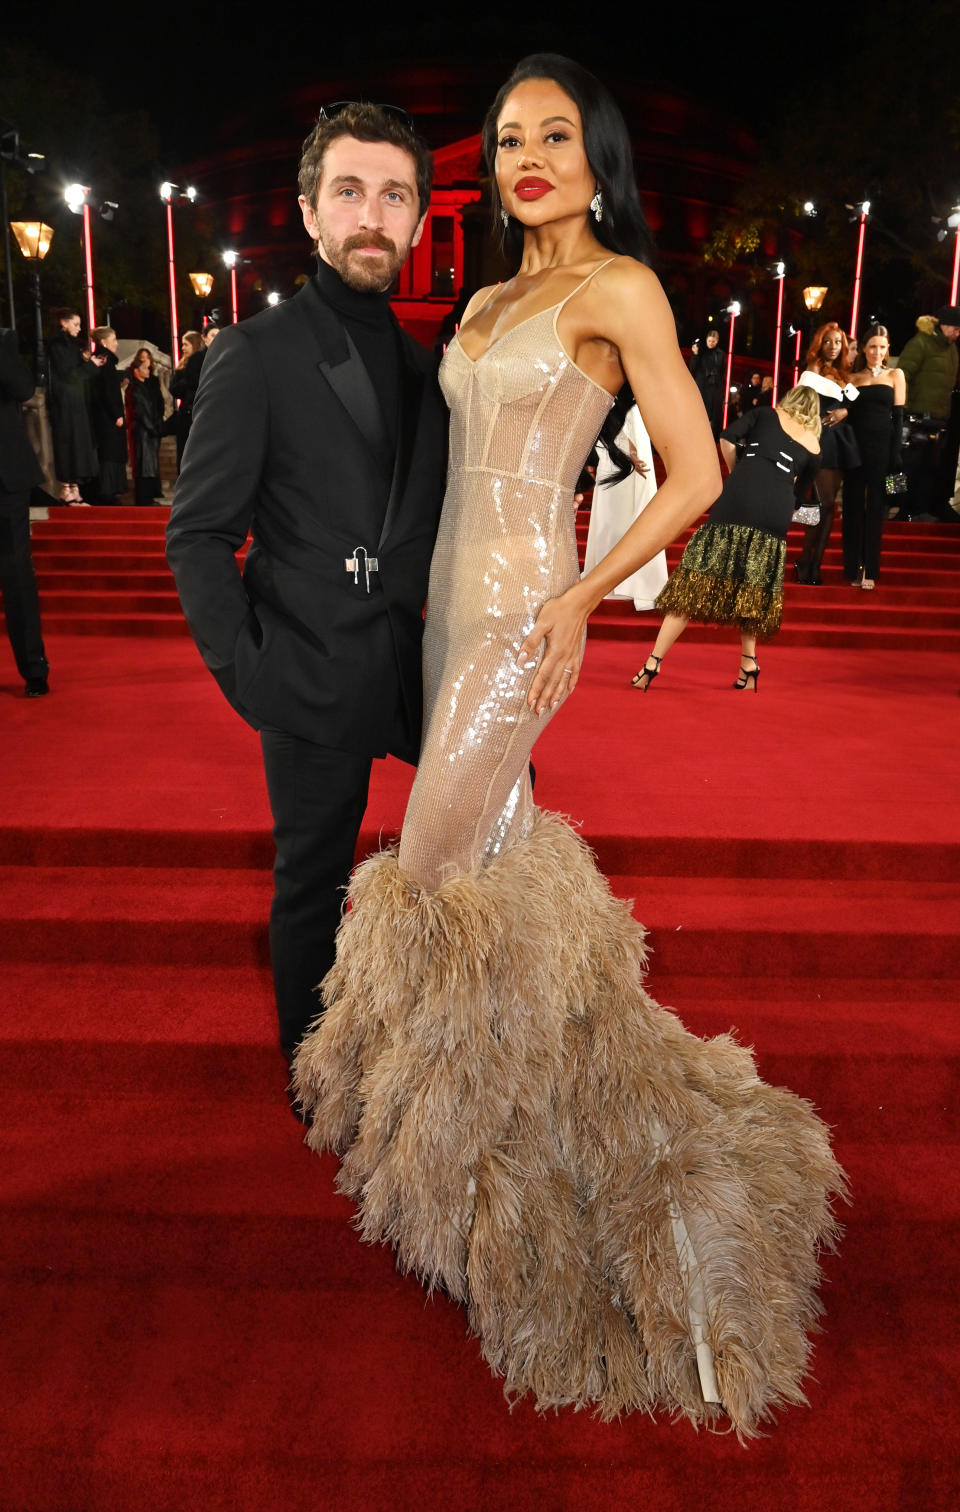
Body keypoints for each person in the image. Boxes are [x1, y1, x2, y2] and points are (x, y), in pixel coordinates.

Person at [293, 55, 844, 1439]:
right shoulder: (484, 299)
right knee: (479, 874)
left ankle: (498, 1174)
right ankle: (548, 1123)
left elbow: (703, 469)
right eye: (509, 138)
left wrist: (583, 601)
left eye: (556, 136)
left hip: (523, 629)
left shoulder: (621, 290)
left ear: (601, 158)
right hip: (439, 621)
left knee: (431, 880)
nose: (530, 156)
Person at [166, 102, 447, 1065]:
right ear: (311, 211)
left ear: (416, 217)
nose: (373, 215)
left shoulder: (432, 370)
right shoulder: (256, 354)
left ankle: (449, 1051)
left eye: (394, 194)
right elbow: (198, 532)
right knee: (313, 881)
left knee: (502, 832)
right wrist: (252, 672)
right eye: (350, 191)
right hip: (308, 664)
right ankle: (314, 1080)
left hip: (416, 666)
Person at [633, 385, 821, 691]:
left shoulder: (764, 414)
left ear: (790, 398)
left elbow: (726, 438)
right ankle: (749, 665)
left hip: (739, 499)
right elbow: (800, 498)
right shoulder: (814, 446)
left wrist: (737, 472)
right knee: (753, 590)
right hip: (775, 515)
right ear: (814, 412)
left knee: (692, 584)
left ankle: (652, 663)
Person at [0, 328, 49, 695]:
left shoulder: (3, 340)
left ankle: (34, 669)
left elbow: (23, 389)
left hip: (5, 476)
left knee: (16, 571)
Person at [582, 395, 667, 608]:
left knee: (620, 515)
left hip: (622, 449)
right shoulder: (615, 392)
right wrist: (629, 453)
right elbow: (613, 423)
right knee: (615, 516)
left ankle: (614, 577)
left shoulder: (630, 393)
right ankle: (613, 578)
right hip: (615, 454)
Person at [791, 322, 859, 584]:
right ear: (820, 344)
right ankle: (805, 559)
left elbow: (852, 404)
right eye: (828, 342)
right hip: (819, 440)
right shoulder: (813, 369)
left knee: (829, 508)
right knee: (822, 505)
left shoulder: (845, 373)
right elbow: (800, 406)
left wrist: (846, 411)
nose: (833, 347)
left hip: (839, 442)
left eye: (838, 342)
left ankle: (813, 564)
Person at [842, 324, 905, 589]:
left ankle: (871, 570)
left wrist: (896, 454)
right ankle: (853, 569)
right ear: (864, 349)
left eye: (882, 347)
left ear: (887, 349)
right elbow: (845, 415)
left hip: (883, 447)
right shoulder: (852, 378)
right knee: (853, 506)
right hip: (855, 447)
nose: (877, 352)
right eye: (872, 347)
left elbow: (899, 418)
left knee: (876, 507)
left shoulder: (895, 375)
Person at [897, 304, 960, 520]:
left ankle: (919, 510)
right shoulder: (920, 343)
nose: (958, 333)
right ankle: (893, 506)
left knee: (928, 469)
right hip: (913, 418)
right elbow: (902, 375)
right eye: (955, 328)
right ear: (943, 325)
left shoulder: (951, 349)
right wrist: (901, 410)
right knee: (901, 467)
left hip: (937, 420)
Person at [47, 308, 98, 504]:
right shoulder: (59, 345)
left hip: (74, 401)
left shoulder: (69, 345)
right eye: (75, 324)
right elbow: (70, 374)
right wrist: (90, 365)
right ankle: (67, 488)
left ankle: (74, 488)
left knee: (77, 444)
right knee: (68, 443)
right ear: (64, 323)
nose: (79, 329)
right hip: (65, 402)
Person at [90, 326, 127, 503]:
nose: (116, 344)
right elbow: (106, 391)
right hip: (107, 418)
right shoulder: (106, 362)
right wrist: (117, 414)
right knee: (110, 453)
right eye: (113, 340)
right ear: (104, 342)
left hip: (103, 416)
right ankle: (108, 490)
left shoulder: (104, 360)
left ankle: (109, 490)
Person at [125, 347, 164, 505]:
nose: (149, 371)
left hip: (147, 432)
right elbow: (141, 412)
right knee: (144, 467)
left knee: (148, 466)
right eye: (145, 368)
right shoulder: (135, 389)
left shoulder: (144, 387)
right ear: (137, 371)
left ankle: (148, 497)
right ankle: (144, 499)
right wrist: (152, 429)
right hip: (142, 433)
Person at [169, 330, 206, 469]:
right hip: (184, 415)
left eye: (186, 345)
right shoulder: (182, 367)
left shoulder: (201, 366)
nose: (183, 348)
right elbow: (173, 389)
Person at [689, 326, 724, 436]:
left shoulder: (720, 354)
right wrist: (695, 354)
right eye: (709, 341)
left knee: (713, 414)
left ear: (717, 341)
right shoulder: (701, 352)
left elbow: (722, 371)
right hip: (702, 386)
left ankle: (709, 435)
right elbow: (692, 368)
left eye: (713, 341)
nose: (711, 343)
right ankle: (696, 433)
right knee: (700, 411)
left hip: (714, 387)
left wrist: (721, 388)